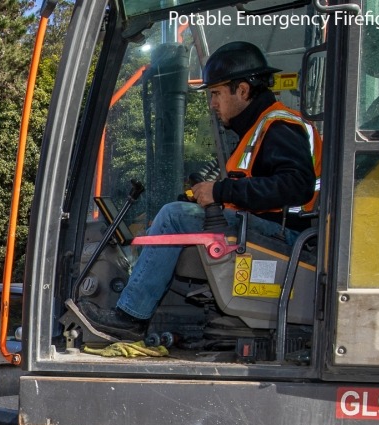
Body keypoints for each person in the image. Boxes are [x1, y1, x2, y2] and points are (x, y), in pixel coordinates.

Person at [76, 41, 320, 342]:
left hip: (290, 238)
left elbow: (296, 186)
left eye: (216, 93)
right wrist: (208, 195)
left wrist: (220, 191)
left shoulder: (279, 127)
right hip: (274, 229)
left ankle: (130, 316)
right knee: (177, 214)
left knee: (175, 217)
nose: (212, 103)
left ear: (242, 90)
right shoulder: (260, 127)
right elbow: (255, 190)